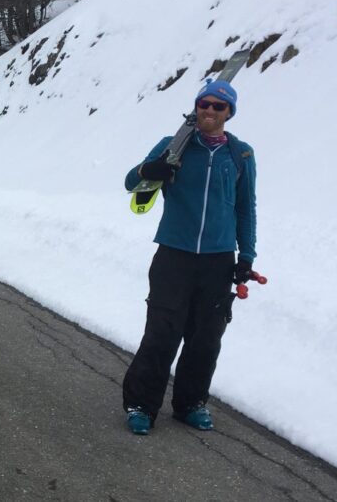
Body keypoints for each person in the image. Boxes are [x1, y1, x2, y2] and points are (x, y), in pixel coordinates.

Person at [121, 78, 257, 435]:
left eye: (219, 106)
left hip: (218, 259)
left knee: (206, 337)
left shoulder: (240, 154)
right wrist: (148, 171)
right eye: (204, 104)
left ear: (230, 112)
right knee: (161, 333)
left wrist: (247, 255)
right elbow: (131, 184)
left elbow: (245, 208)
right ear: (196, 107)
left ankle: (190, 403)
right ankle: (141, 405)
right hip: (174, 255)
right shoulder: (174, 146)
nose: (210, 110)